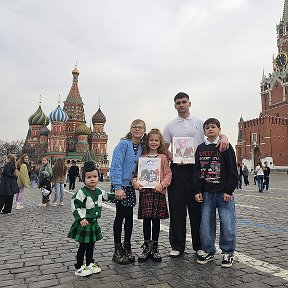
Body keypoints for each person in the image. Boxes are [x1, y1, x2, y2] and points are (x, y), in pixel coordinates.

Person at [163, 92, 229, 258]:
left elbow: (215, 132)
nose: (181, 105)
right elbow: (164, 147)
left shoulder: (200, 122)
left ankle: (199, 245)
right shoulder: (170, 126)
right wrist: (174, 158)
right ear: (175, 105)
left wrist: (225, 137)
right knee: (177, 209)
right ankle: (177, 245)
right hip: (177, 170)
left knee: (197, 209)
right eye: (178, 103)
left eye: (184, 102)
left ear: (190, 104)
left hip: (197, 169)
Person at [194, 118, 238, 268]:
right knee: (206, 223)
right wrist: (198, 189)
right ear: (204, 131)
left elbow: (232, 168)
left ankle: (228, 252)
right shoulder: (200, 148)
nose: (210, 129)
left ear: (219, 129)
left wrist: (229, 189)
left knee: (227, 223)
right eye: (207, 128)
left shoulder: (225, 146)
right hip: (207, 192)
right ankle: (208, 251)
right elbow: (197, 170)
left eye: (213, 127)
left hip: (223, 192)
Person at [68, 161, 114, 277]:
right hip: (84, 223)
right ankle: (78, 266)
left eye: (95, 176)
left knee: (91, 245)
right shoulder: (81, 192)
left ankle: (89, 263)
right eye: (89, 177)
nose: (92, 179)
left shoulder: (98, 191)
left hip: (93, 223)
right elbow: (75, 205)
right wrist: (80, 219)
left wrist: (118, 195)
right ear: (84, 179)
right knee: (83, 246)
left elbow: (107, 196)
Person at [110, 119, 146, 265]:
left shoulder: (142, 146)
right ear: (130, 129)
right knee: (120, 216)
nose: (137, 129)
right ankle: (117, 249)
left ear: (144, 131)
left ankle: (127, 246)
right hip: (121, 185)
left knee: (130, 217)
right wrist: (117, 186)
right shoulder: (124, 144)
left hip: (131, 186)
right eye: (134, 127)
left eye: (140, 127)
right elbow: (116, 165)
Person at [133, 128, 172, 262]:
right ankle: (146, 247)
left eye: (156, 140)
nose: (154, 142)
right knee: (146, 220)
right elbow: (136, 175)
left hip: (158, 191)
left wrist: (162, 184)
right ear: (147, 141)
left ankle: (155, 247)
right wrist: (135, 183)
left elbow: (168, 174)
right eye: (151, 140)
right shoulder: (142, 157)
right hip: (146, 192)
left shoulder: (163, 158)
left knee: (156, 220)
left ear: (160, 142)